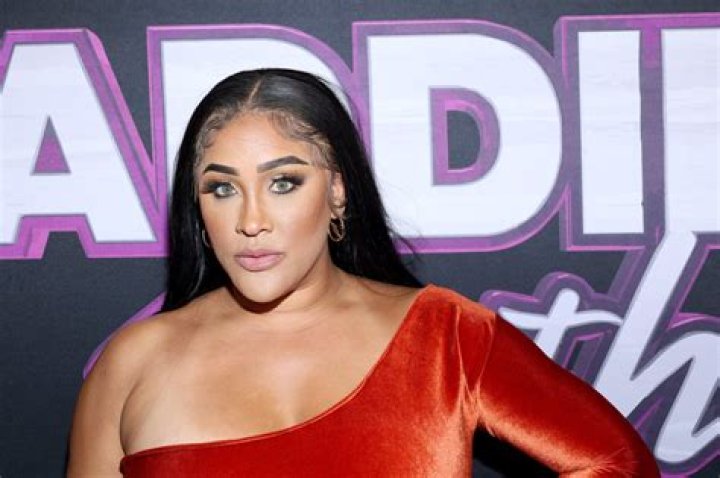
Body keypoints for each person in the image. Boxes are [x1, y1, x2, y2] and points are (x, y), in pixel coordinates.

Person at [67, 68, 659, 477]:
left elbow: (617, 464)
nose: (251, 221)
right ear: (197, 209)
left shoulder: (444, 338)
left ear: (338, 192)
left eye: (283, 183)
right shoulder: (132, 363)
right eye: (222, 188)